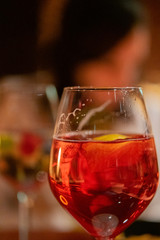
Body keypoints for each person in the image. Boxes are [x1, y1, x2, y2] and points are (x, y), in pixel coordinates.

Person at [46, 0, 150, 97]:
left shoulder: (147, 110)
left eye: (137, 63)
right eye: (109, 62)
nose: (125, 80)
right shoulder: (33, 108)